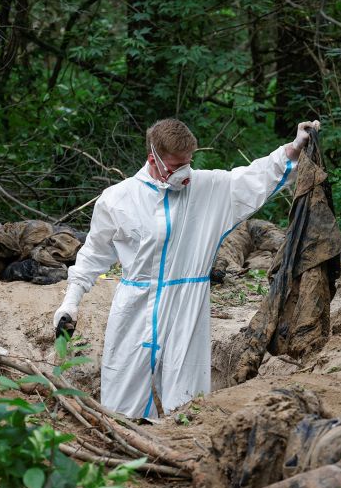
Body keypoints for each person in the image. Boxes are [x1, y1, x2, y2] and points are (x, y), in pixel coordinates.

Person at [53, 119, 320, 419]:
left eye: (188, 164)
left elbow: (253, 178)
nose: (184, 173)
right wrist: (70, 302)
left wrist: (294, 149)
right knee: (121, 403)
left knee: (188, 405)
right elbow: (93, 255)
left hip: (187, 307)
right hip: (134, 308)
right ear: (153, 158)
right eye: (176, 165)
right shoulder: (118, 200)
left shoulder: (206, 189)